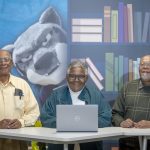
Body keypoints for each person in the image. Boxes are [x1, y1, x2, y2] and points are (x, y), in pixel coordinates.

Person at [40, 60, 112, 150]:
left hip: (90, 141)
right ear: (67, 77)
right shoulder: (56, 95)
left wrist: (88, 124)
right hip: (61, 142)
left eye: (80, 76)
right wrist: (64, 124)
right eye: (72, 76)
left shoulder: (95, 94)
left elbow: (106, 116)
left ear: (86, 78)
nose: (76, 80)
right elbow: (45, 117)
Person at [0, 49, 40, 150]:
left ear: (12, 63)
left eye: (6, 59)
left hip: (18, 142)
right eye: (0, 60)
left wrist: (21, 122)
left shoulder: (22, 84)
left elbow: (34, 112)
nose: (3, 63)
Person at [112, 55, 150, 150]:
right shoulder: (127, 87)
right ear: (139, 68)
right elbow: (115, 113)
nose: (145, 67)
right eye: (142, 64)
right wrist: (121, 122)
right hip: (128, 143)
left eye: (149, 64)